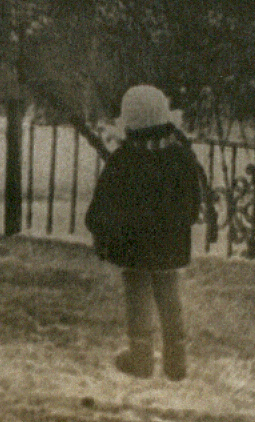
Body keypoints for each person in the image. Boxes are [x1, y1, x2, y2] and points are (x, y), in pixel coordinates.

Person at [84, 85, 206, 381]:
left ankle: (140, 357)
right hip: (169, 245)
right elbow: (193, 201)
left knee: (137, 296)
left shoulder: (123, 160)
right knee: (169, 295)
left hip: (133, 246)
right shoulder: (180, 157)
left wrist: (99, 229)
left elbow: (103, 204)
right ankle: (176, 359)